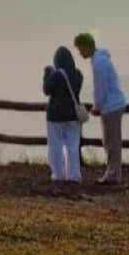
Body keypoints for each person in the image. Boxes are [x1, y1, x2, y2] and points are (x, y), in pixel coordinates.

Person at [74, 32, 127, 184]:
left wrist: (97, 106)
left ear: (87, 46)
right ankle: (114, 174)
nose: (80, 53)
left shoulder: (99, 63)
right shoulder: (100, 60)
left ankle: (112, 175)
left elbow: (100, 87)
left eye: (80, 49)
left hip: (111, 106)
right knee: (113, 141)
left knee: (111, 142)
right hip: (114, 104)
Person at [42, 45, 85, 183]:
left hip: (55, 116)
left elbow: (46, 90)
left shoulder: (56, 75)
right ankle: (74, 175)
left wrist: (47, 74)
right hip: (73, 116)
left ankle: (58, 174)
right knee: (73, 146)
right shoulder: (78, 75)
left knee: (56, 146)